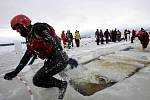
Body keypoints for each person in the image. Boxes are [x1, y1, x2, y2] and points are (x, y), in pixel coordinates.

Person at [3, 14, 71, 99]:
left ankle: (62, 85)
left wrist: (45, 41)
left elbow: (55, 43)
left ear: (24, 24)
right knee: (36, 81)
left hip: (60, 58)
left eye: (18, 29)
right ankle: (56, 87)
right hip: (51, 60)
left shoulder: (38, 28)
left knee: (39, 78)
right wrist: (15, 72)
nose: (18, 32)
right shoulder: (29, 39)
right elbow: (26, 57)